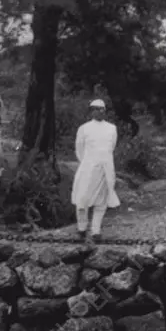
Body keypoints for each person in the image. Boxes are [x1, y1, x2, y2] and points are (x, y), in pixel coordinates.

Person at [71, 99, 119, 242]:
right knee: (82, 200)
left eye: (102, 109)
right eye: (97, 109)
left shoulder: (112, 128)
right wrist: (89, 163)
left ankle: (96, 231)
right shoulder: (84, 128)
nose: (100, 111)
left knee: (102, 201)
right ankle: (81, 229)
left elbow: (111, 147)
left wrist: (102, 161)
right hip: (88, 169)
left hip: (106, 168)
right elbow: (79, 150)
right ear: (91, 111)